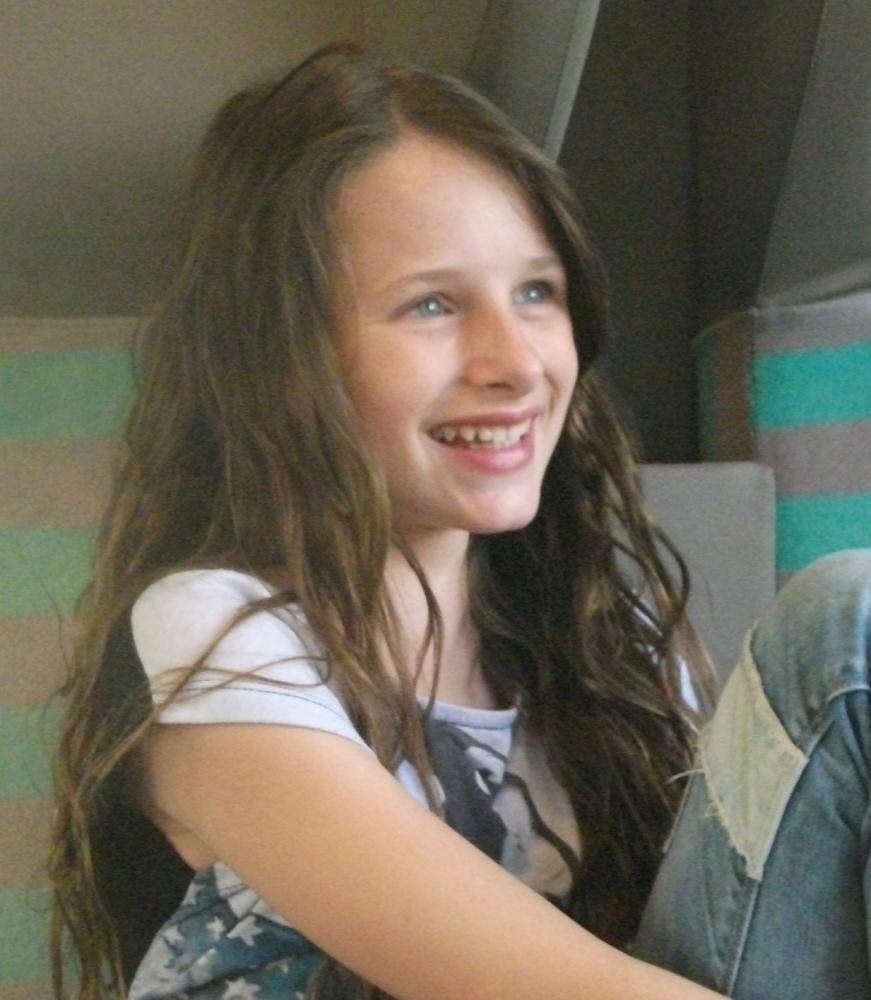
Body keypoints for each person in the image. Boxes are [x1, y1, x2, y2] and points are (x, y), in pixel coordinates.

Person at [47, 43, 870, 1000]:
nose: (514, 362)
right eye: (430, 304)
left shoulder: (608, 646)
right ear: (278, 353)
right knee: (842, 628)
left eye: (536, 292)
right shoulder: (215, 633)